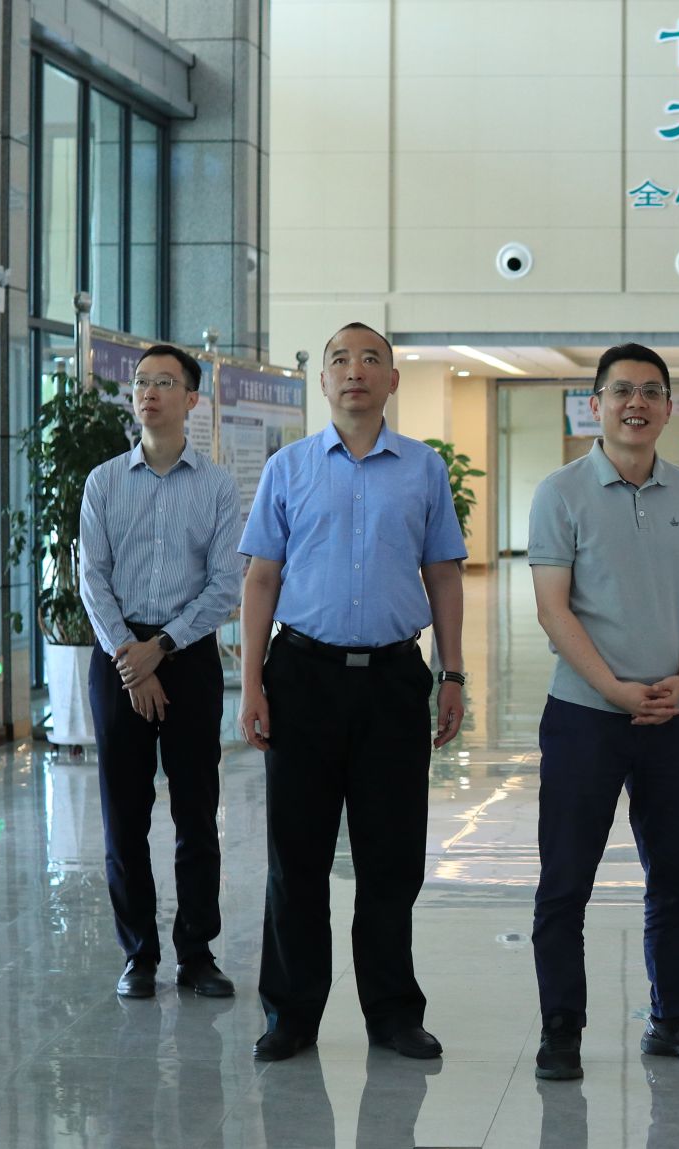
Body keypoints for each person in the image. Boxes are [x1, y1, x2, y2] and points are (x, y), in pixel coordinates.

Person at [236, 322, 468, 1062]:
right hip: (300, 677)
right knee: (296, 856)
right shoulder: (289, 468)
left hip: (395, 681)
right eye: (340, 359)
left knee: (391, 857)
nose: (354, 370)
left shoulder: (424, 469)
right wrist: (250, 684)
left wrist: (452, 672)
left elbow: (444, 575)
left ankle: (393, 1012)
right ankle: (291, 1013)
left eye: (371, 359)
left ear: (392, 380)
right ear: (324, 380)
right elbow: (261, 579)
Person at [526, 343, 679, 1081]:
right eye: (621, 391)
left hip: (676, 716)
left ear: (669, 407)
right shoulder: (560, 492)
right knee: (566, 879)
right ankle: (561, 1026)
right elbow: (553, 609)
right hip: (586, 715)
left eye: (651, 391)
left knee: (677, 875)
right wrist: (615, 689)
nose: (635, 403)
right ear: (596, 404)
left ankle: (673, 1015)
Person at [78, 343, 242, 1000]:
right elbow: (92, 578)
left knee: (196, 811)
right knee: (125, 814)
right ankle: (138, 954)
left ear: (192, 399)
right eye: (142, 381)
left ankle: (197, 954)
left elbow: (225, 584)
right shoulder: (104, 482)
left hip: (189, 657)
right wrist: (132, 656)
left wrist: (162, 647)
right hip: (118, 657)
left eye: (165, 382)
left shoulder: (217, 486)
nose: (148, 391)